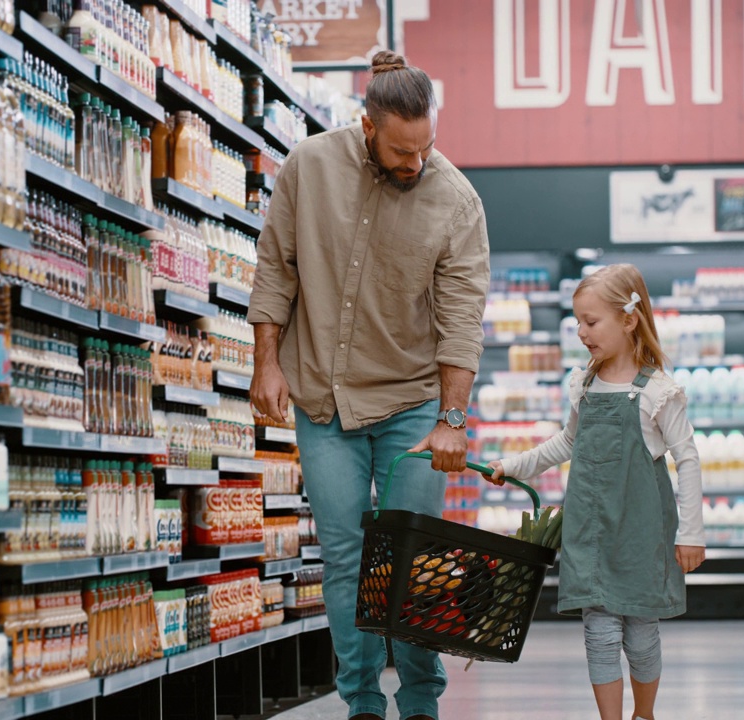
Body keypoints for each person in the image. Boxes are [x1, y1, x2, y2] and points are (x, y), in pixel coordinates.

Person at [247, 50, 490, 720]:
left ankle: (419, 703)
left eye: (426, 148)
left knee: (409, 559)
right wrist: (266, 360)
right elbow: (276, 267)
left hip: (412, 406)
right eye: (402, 150)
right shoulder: (309, 166)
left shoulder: (457, 201)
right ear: (367, 128)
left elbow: (462, 322)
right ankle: (361, 705)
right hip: (323, 400)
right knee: (348, 561)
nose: (416, 163)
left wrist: (454, 418)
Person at [483, 263, 706, 720]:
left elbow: (688, 459)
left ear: (629, 320)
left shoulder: (658, 393)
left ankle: (644, 715)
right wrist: (513, 466)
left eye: (591, 322)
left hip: (641, 536)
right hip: (589, 533)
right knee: (598, 634)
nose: (582, 333)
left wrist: (691, 534)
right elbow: (568, 442)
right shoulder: (583, 384)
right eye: (578, 322)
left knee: (641, 637)